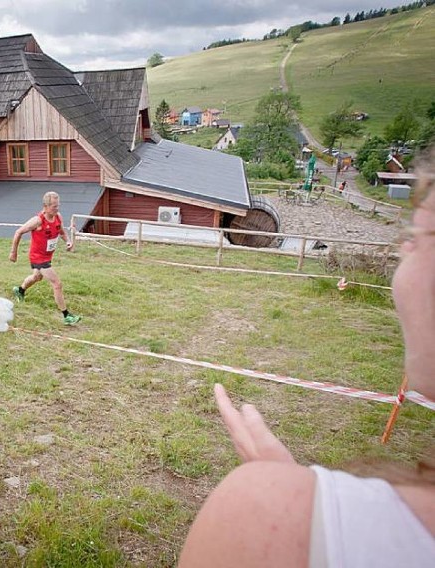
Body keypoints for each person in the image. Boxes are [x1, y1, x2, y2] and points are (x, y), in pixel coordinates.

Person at [177, 149, 435, 567]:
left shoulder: (257, 515)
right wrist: (296, 490)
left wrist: (283, 499)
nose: (403, 254)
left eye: (418, 237)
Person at [9, 191, 81, 325]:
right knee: (57, 284)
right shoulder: (37, 221)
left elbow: (61, 232)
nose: (57, 209)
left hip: (47, 256)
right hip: (38, 258)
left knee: (37, 277)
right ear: (45, 206)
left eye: (58, 206)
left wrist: (68, 241)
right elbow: (18, 232)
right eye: (54, 206)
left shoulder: (58, 216)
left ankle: (20, 290)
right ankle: (66, 316)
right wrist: (13, 252)